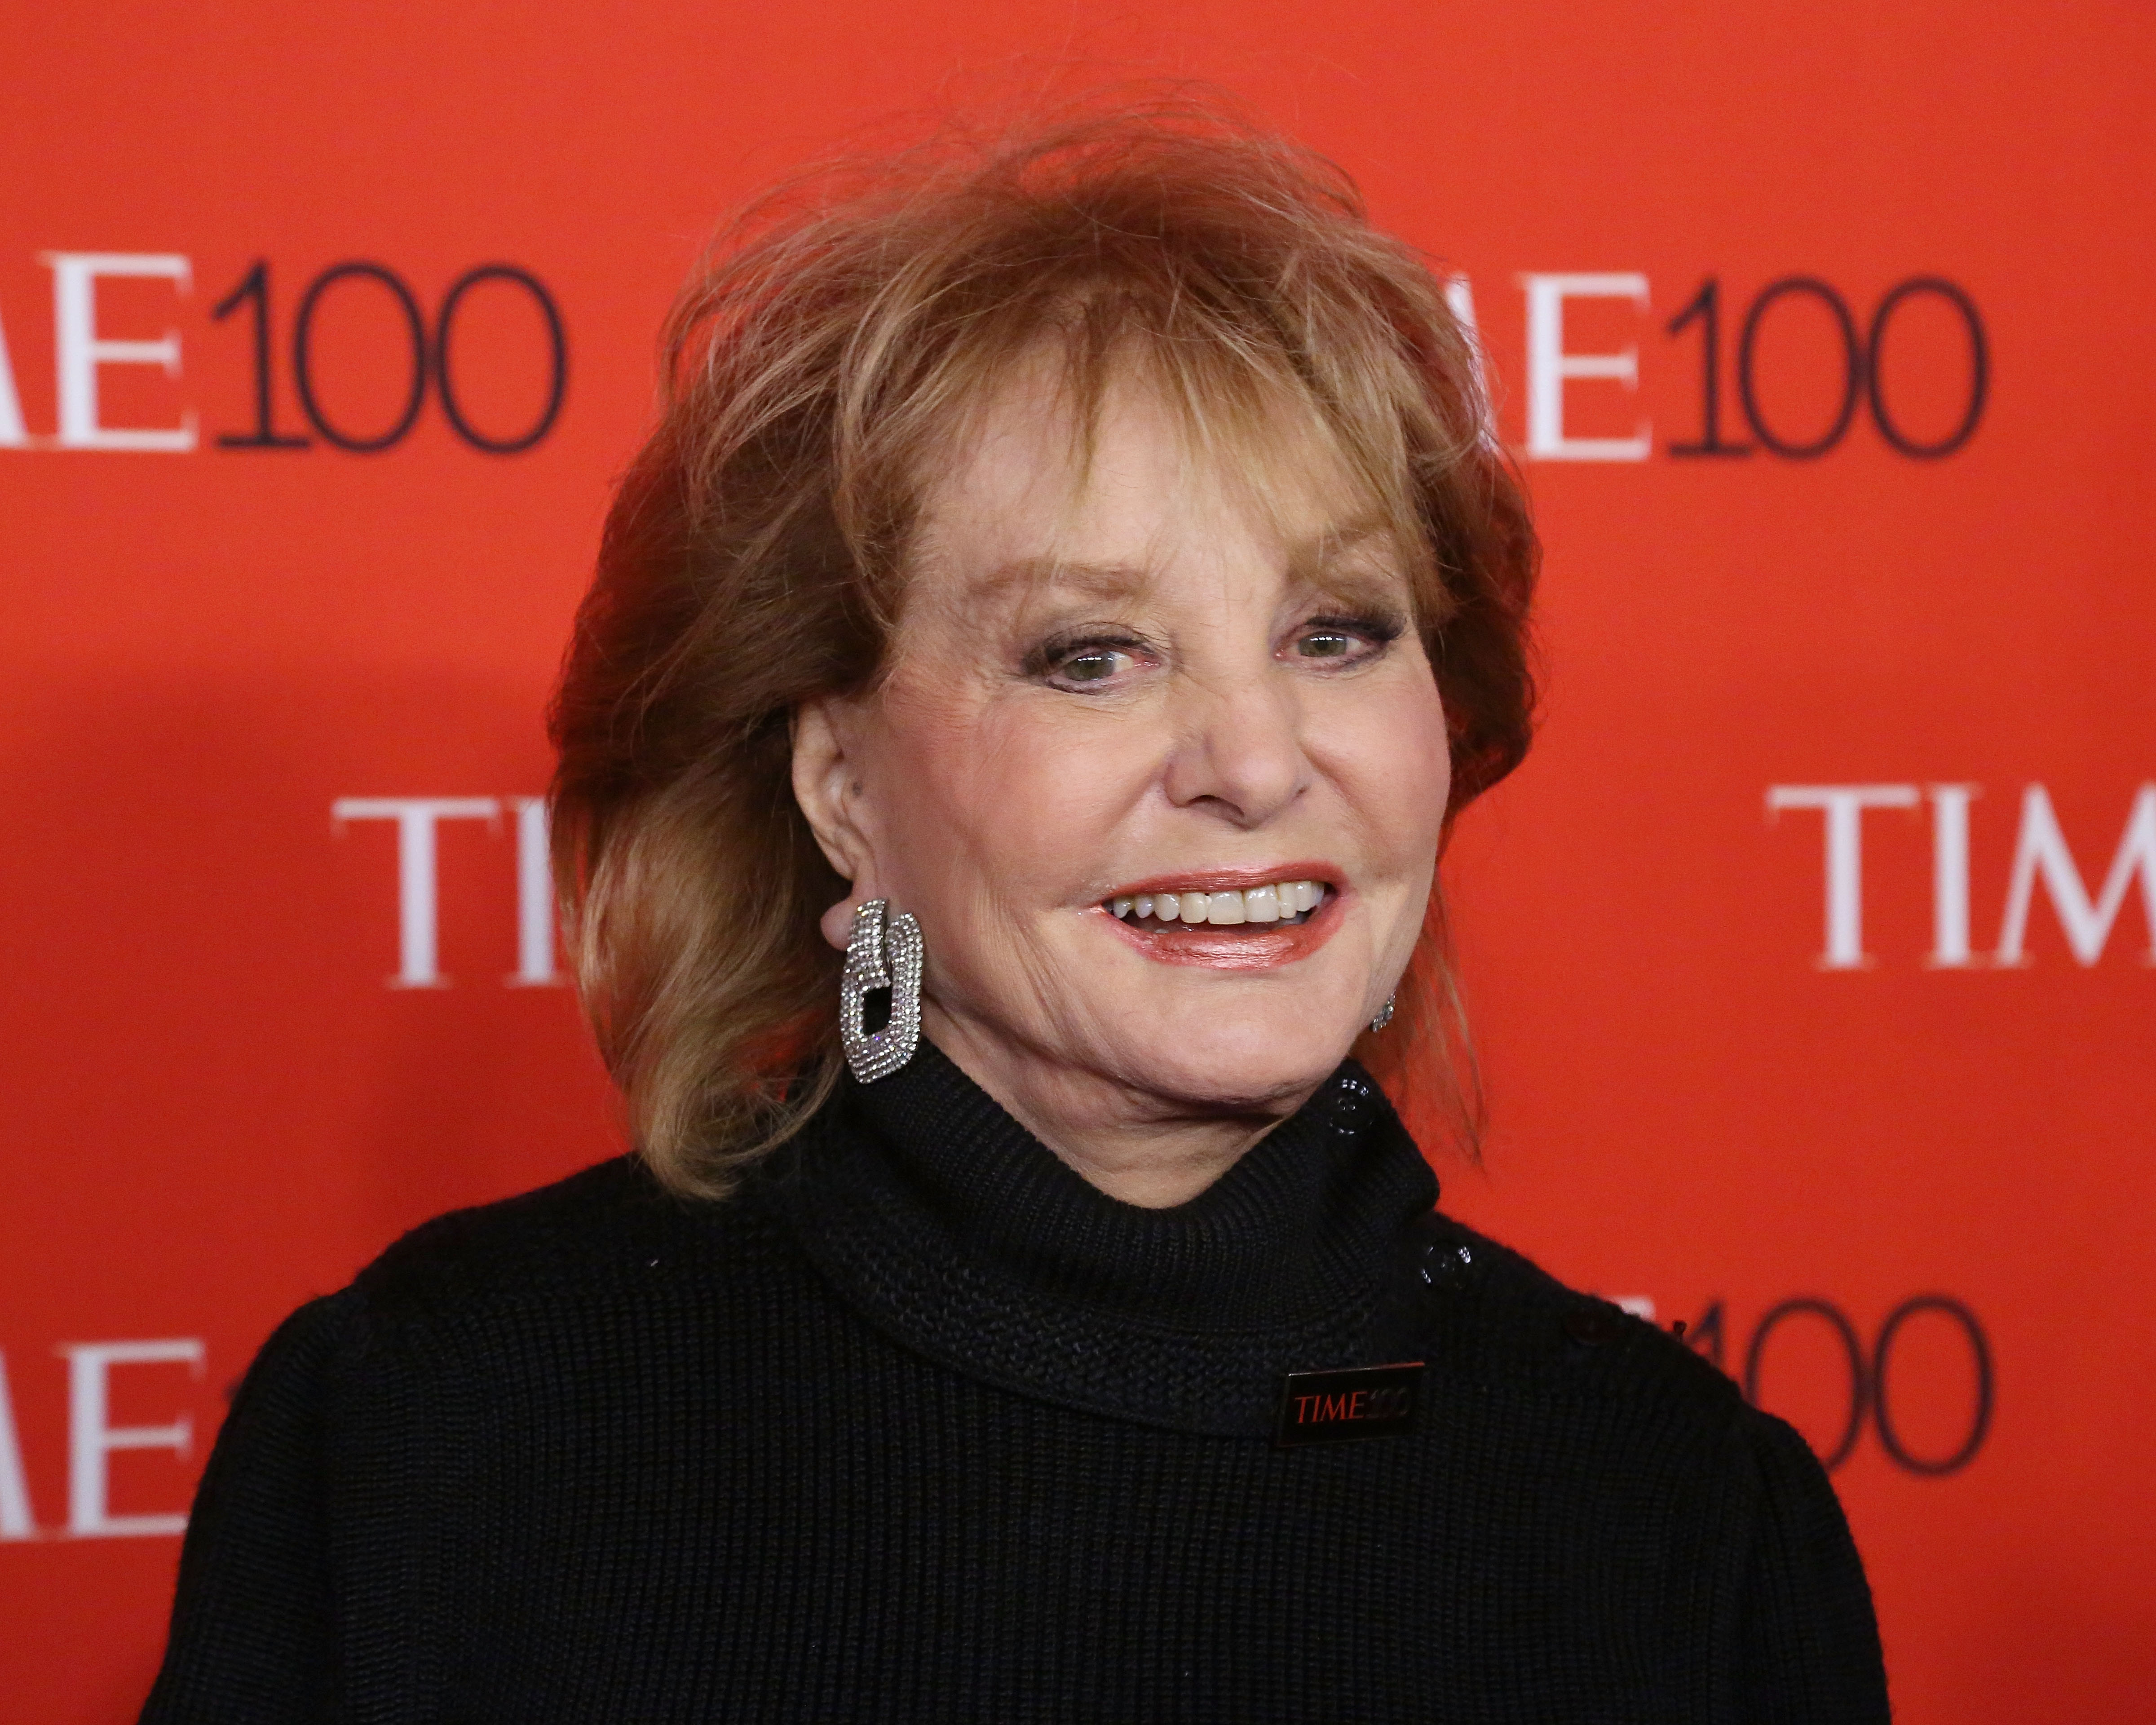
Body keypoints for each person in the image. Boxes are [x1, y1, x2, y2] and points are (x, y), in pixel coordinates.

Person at [142, 107, 1888, 1722]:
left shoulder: (1669, 1504)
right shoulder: (446, 1431)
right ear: (842, 790)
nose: (1255, 760)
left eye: (1337, 629)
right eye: (1092, 653)